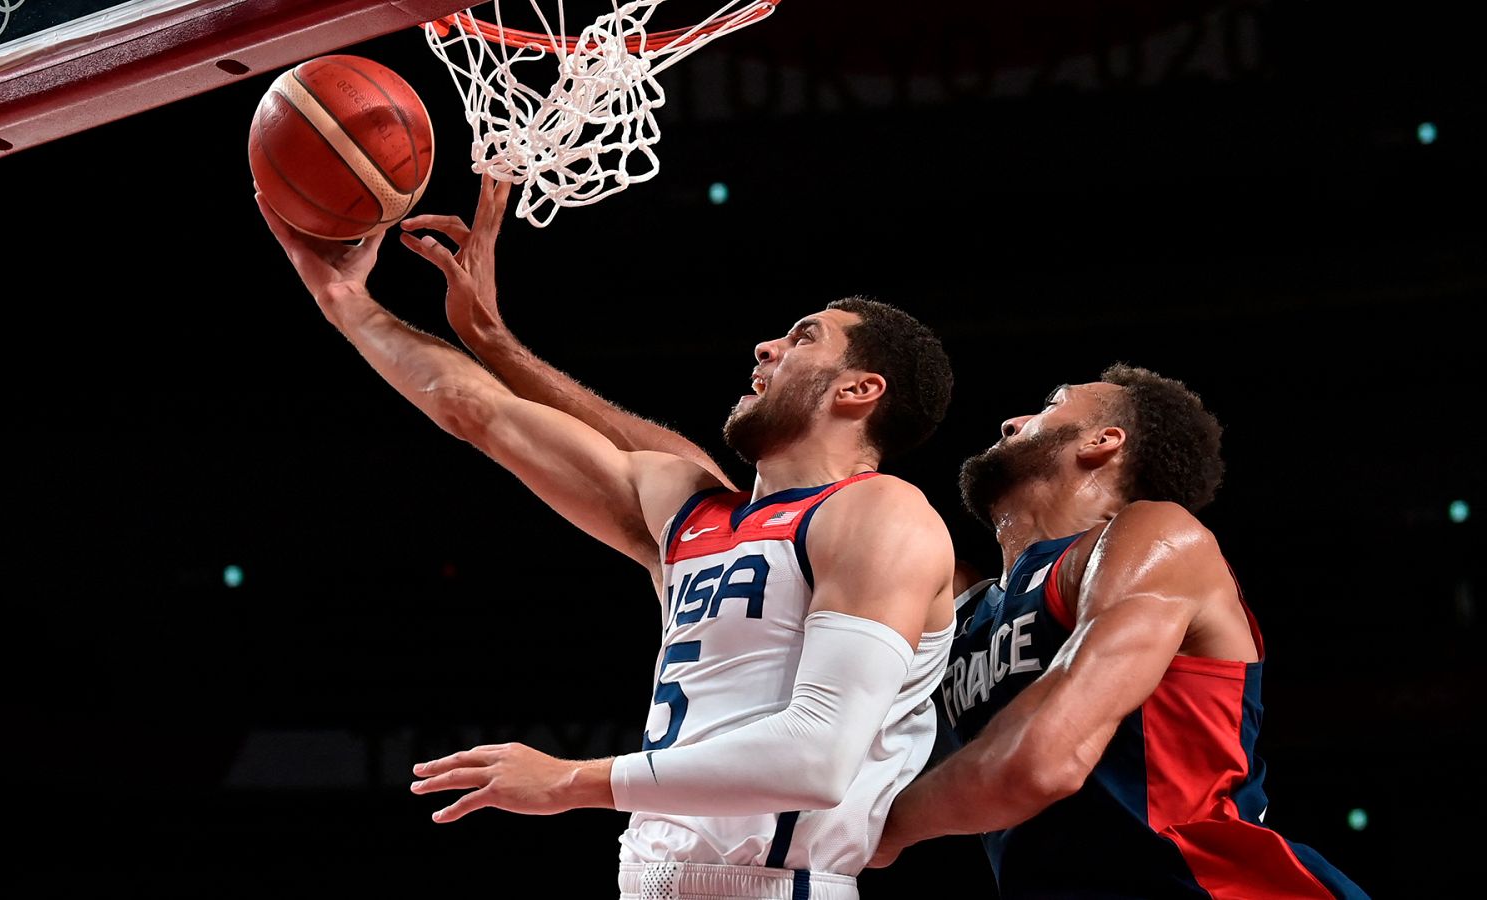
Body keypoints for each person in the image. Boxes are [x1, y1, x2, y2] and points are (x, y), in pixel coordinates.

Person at [255, 175, 962, 900]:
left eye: (803, 337)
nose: (766, 346)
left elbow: (817, 759)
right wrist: (348, 304)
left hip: (781, 884)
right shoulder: (691, 513)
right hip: (649, 879)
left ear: (859, 391)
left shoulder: (883, 515)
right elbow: (480, 412)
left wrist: (568, 780)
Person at [868, 365, 1370, 899]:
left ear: (1102, 442)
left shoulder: (1156, 536)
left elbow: (1042, 761)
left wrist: (876, 832)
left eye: (1050, 405)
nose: (1013, 422)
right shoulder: (966, 606)